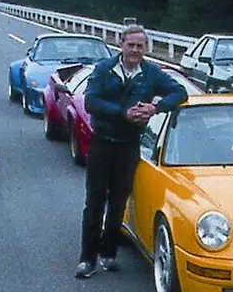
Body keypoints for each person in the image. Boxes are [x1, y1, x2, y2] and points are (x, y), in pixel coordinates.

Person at [75, 25, 188, 278]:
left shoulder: (151, 73)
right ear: (121, 45)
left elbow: (179, 92)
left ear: (145, 49)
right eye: (131, 45)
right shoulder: (104, 69)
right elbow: (91, 102)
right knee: (94, 202)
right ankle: (87, 258)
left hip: (129, 145)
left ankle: (108, 253)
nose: (135, 50)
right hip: (102, 142)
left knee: (118, 202)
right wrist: (123, 112)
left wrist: (155, 108)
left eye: (140, 46)